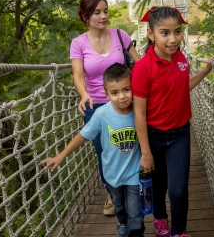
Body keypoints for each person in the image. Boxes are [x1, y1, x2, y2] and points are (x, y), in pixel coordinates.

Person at [131, 6, 214, 237]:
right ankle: (160, 221)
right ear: (151, 34)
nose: (173, 39)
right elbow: (138, 113)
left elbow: (183, 87)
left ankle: (179, 231)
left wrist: (206, 70)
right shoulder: (142, 68)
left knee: (178, 190)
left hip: (180, 134)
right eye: (165, 33)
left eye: (178, 32)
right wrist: (145, 152)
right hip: (153, 136)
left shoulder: (180, 58)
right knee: (159, 187)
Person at [39, 63, 144, 237]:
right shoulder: (102, 114)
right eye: (115, 92)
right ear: (106, 94)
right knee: (119, 206)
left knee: (136, 213)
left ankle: (135, 233)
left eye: (127, 90)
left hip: (135, 173)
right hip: (112, 174)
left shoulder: (139, 110)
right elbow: (83, 135)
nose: (122, 97)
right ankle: (122, 222)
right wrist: (61, 156)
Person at [71, 0, 140, 215]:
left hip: (125, 102)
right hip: (96, 107)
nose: (103, 16)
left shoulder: (120, 36)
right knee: (104, 153)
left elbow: (139, 64)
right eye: (96, 12)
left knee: (131, 147)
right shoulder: (78, 43)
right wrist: (83, 95)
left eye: (105, 11)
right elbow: (78, 76)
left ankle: (134, 188)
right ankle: (111, 193)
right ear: (85, 16)